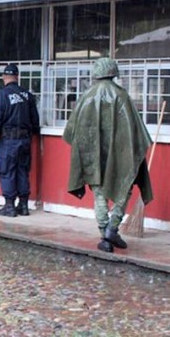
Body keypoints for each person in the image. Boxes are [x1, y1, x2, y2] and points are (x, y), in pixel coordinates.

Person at [63, 58, 153, 253]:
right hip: (120, 155)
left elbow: (71, 131)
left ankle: (104, 234)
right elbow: (135, 130)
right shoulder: (122, 96)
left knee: (98, 193)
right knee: (125, 188)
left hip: (92, 156)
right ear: (113, 72)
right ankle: (113, 228)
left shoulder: (86, 96)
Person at [0, 64, 40, 217]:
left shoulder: (1, 96)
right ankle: (23, 205)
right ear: (17, 77)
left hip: (9, 140)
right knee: (22, 170)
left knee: (7, 170)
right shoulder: (27, 96)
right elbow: (34, 119)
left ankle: (9, 206)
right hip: (25, 140)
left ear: (4, 77)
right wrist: (35, 133)